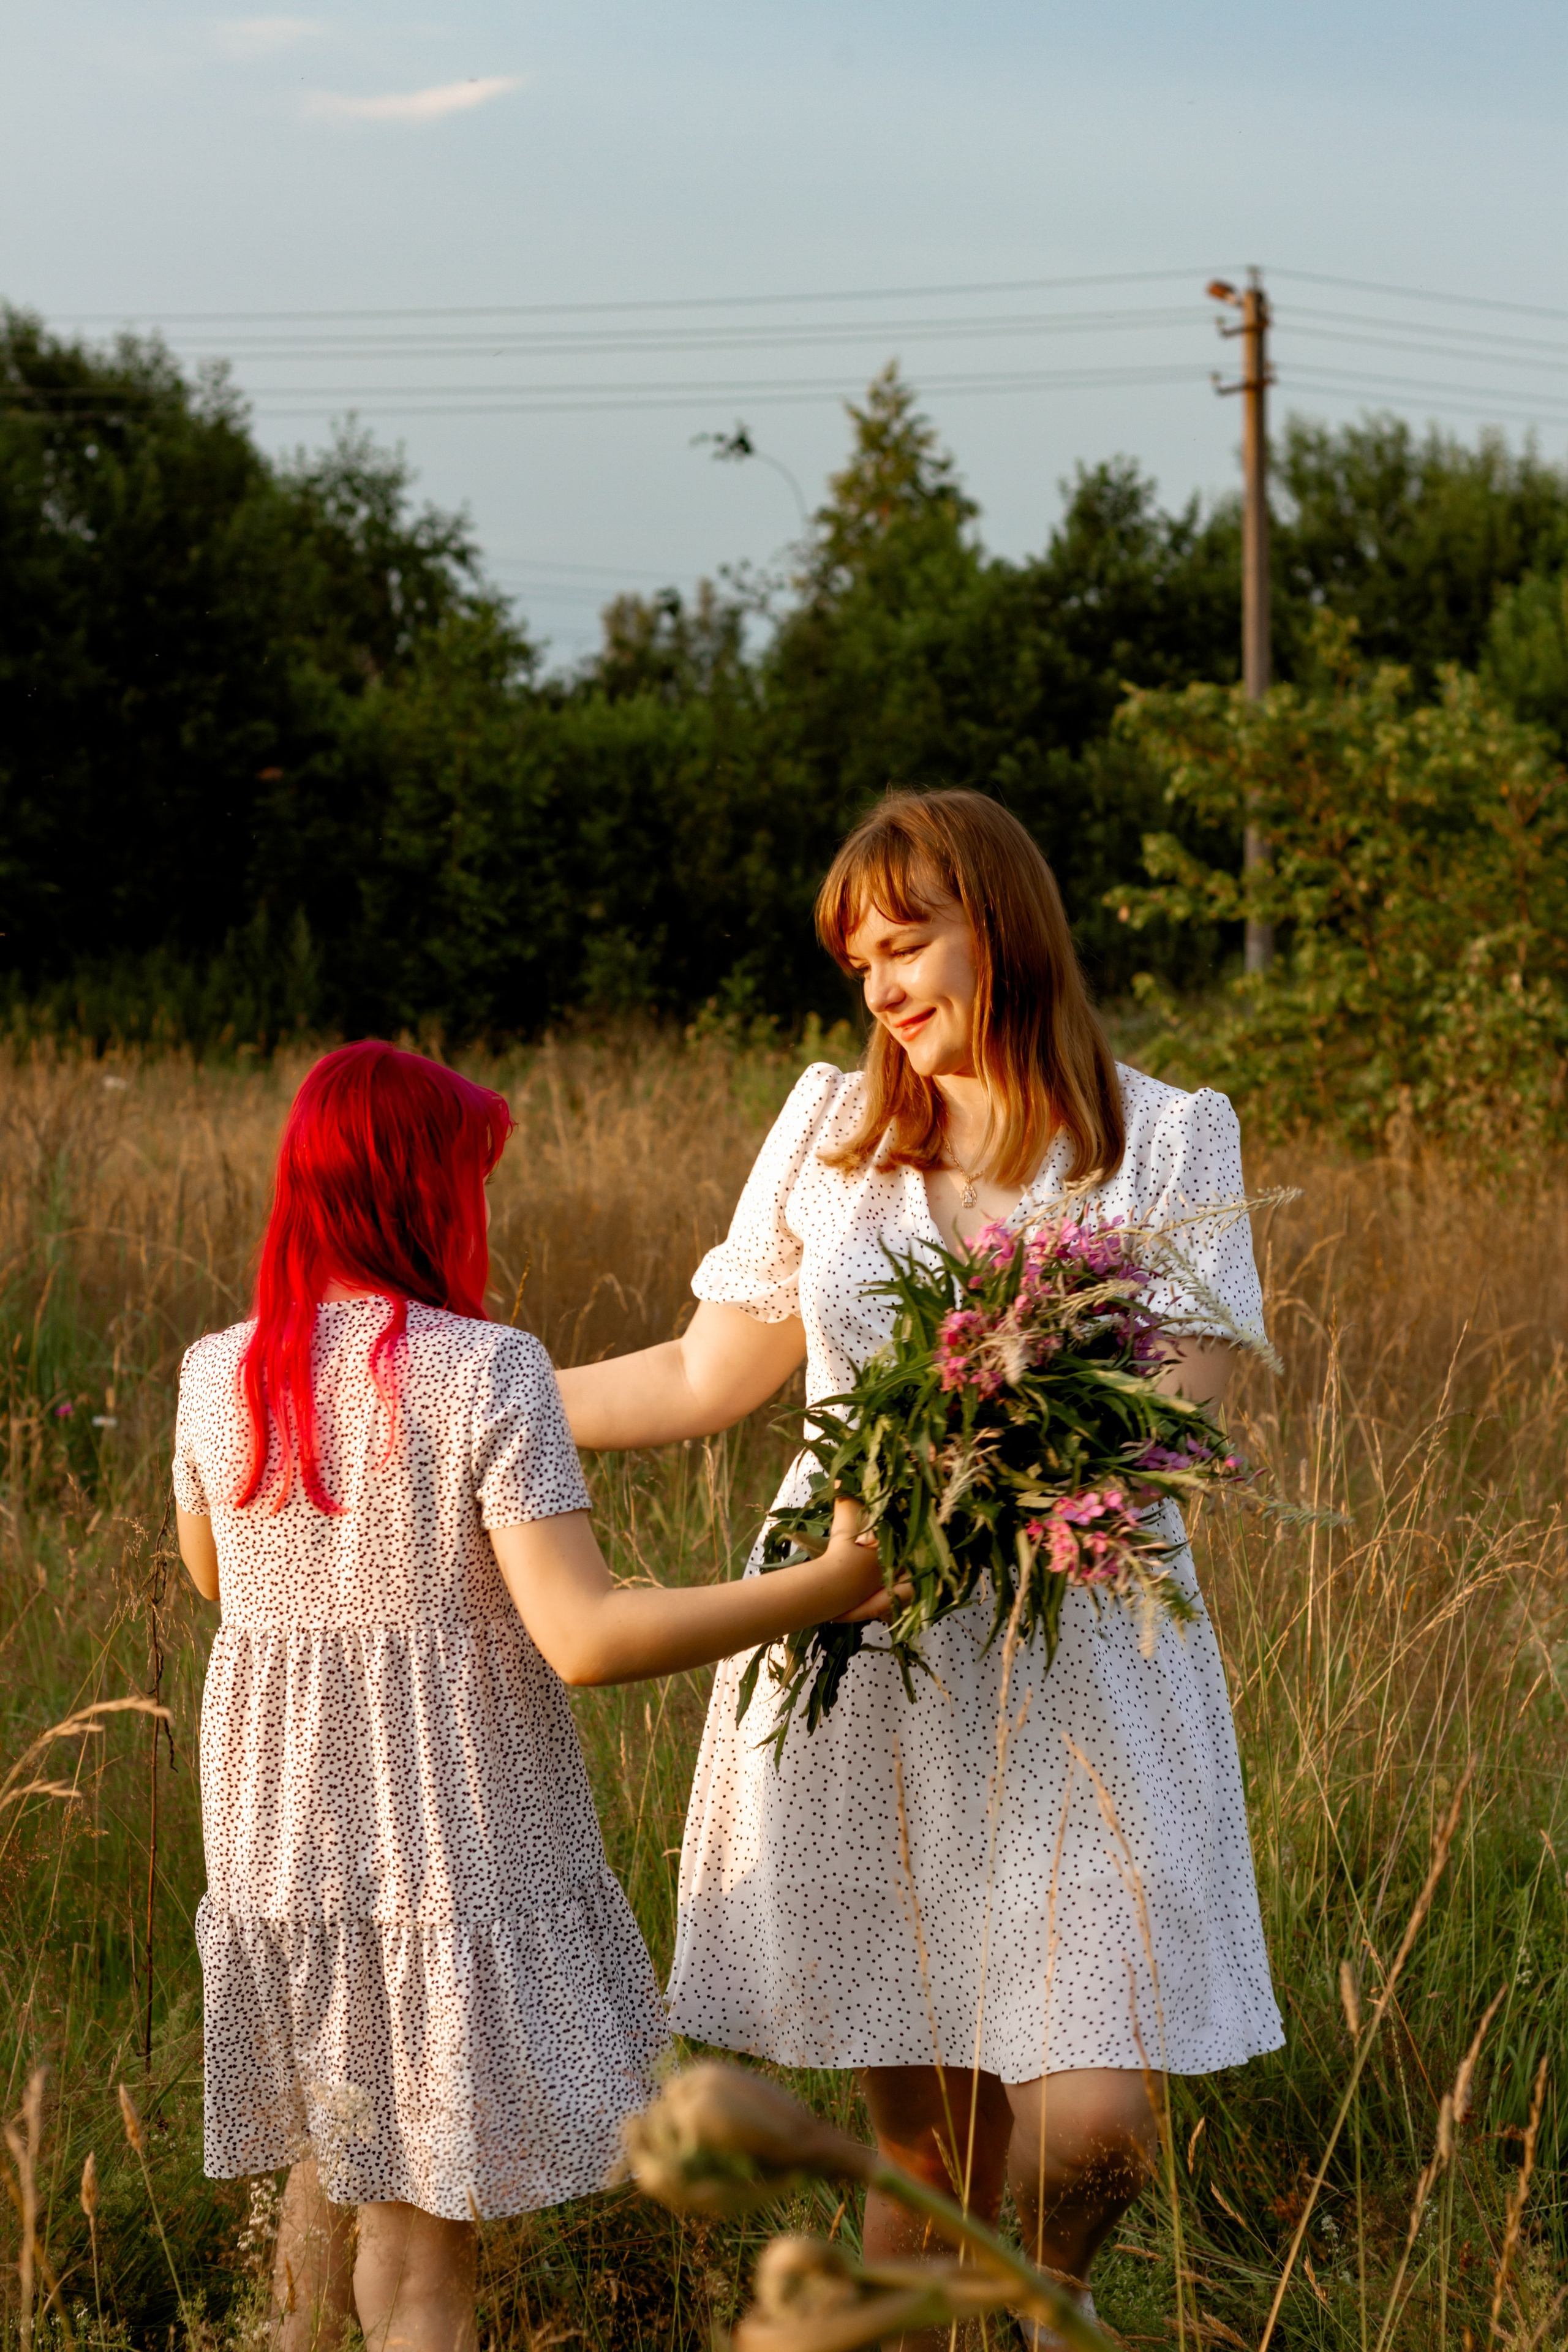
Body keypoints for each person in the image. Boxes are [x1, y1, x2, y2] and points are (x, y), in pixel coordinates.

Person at [557, 790, 1284, 2351]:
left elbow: (1177, 1412)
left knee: (1092, 2124)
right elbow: (701, 1378)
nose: (883, 986)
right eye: (861, 960)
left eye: (909, 942)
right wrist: (465, 1403)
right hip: (857, 1647)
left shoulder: (1165, 1136)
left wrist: (1009, 1452)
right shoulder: (830, 1130)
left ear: (999, 927)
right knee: (926, 2149)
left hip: (1077, 1659)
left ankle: (1046, 2297)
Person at [173, 1041, 885, 2352]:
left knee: (326, 2181)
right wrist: (827, 1583)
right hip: (443, 1848)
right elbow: (588, 1637)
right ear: (424, 1191)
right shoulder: (484, 1371)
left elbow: (217, 1578)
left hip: (283, 1854)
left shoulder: (217, 1372)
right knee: (424, 2251)